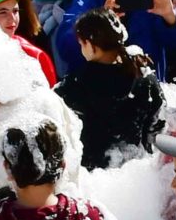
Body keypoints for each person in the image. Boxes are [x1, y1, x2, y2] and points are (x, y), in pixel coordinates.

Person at [58, 10, 166, 170]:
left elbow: (62, 129)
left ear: (90, 44)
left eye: (81, 43)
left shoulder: (76, 83)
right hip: (136, 170)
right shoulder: (144, 76)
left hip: (93, 174)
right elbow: (158, 123)